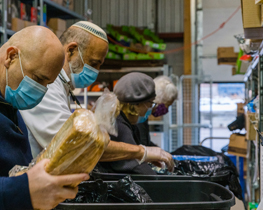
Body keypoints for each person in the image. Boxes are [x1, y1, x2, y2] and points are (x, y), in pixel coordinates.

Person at [0, 26, 89, 210]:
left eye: (47, 84)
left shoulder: (6, 98)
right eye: (38, 79)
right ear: (11, 57)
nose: (42, 91)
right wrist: (22, 190)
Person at [20, 21, 174, 171]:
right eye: (93, 63)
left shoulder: (62, 86)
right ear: (71, 50)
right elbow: (76, 144)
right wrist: (142, 152)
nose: (96, 71)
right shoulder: (47, 86)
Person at [99, 72, 173, 174]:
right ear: (136, 105)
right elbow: (135, 167)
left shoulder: (129, 123)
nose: (151, 108)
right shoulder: (119, 126)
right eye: (151, 103)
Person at [137, 75, 178, 147]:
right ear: (157, 100)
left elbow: (145, 142)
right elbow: (140, 145)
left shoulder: (144, 116)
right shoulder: (139, 116)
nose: (166, 110)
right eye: (166, 105)